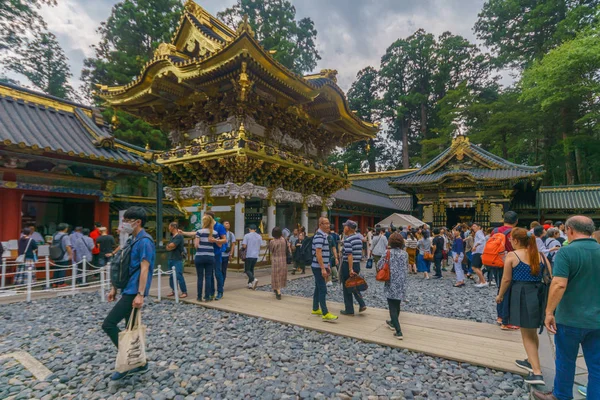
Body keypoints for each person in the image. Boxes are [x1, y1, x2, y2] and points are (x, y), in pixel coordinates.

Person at [532, 216, 600, 400]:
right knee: (597, 366)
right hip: (596, 319)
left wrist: (548, 312)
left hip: (570, 317)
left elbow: (559, 284)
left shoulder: (566, 252)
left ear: (569, 230)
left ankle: (561, 395)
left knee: (565, 360)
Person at [102, 207, 155, 381]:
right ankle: (139, 362)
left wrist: (141, 294)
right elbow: (121, 264)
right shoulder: (132, 239)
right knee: (129, 328)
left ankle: (128, 360)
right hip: (127, 288)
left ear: (137, 222)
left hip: (133, 291)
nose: (123, 224)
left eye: (126, 220)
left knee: (109, 324)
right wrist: (114, 288)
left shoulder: (145, 241)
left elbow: (144, 268)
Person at [496, 228, 549, 385]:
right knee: (532, 332)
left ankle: (537, 373)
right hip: (538, 294)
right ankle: (530, 360)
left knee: (526, 334)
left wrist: (500, 296)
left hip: (522, 293)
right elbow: (549, 275)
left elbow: (506, 279)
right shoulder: (540, 255)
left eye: (511, 239)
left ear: (516, 241)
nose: (510, 242)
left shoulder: (513, 255)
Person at [493, 211, 520, 330]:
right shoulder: (516, 232)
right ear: (516, 221)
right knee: (509, 291)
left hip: (497, 263)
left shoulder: (495, 231)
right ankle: (506, 318)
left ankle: (499, 316)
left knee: (501, 288)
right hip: (512, 264)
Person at [380, 233, 408, 340]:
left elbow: (380, 265)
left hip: (391, 281)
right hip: (401, 282)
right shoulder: (404, 254)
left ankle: (399, 331)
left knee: (391, 306)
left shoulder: (387, 253)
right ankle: (392, 322)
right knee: (397, 304)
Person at [311, 217, 337, 322]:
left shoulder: (323, 236)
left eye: (328, 223)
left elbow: (325, 253)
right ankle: (325, 313)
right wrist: (323, 268)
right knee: (323, 289)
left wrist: (327, 265)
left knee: (318, 287)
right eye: (325, 224)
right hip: (318, 267)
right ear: (320, 224)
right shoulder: (319, 236)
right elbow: (318, 253)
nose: (328, 225)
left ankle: (315, 308)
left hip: (320, 266)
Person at [339, 220, 367, 316]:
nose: (344, 228)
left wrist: (350, 269)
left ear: (349, 228)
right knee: (353, 284)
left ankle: (349, 309)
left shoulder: (348, 239)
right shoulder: (358, 238)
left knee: (347, 285)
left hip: (348, 264)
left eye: (345, 226)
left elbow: (349, 255)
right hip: (357, 264)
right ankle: (361, 303)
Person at [194, 215, 220, 301]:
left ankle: (199, 296)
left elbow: (196, 245)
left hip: (200, 256)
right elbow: (219, 244)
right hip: (210, 256)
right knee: (208, 276)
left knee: (200, 277)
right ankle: (208, 296)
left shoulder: (199, 232)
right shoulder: (215, 233)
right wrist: (214, 241)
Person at [205, 211, 227, 300]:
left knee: (217, 273)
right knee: (209, 273)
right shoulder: (206, 227)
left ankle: (220, 291)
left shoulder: (219, 227)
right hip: (208, 252)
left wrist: (216, 241)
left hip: (216, 253)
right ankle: (211, 292)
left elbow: (224, 240)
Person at [165, 222, 187, 298]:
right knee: (171, 276)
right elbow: (168, 247)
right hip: (170, 257)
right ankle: (173, 290)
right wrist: (169, 246)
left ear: (173, 227)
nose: (168, 228)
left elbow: (173, 245)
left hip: (177, 258)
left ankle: (184, 291)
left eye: (169, 226)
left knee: (178, 275)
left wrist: (170, 246)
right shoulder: (172, 237)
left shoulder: (179, 236)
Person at [268, 227, 287, 300]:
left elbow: (271, 250)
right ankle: (277, 289)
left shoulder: (273, 242)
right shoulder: (283, 240)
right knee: (281, 275)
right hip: (283, 259)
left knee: (276, 276)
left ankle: (278, 291)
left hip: (276, 260)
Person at [52, 223, 72, 287]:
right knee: (62, 269)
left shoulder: (54, 235)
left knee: (56, 269)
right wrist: (70, 254)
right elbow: (67, 246)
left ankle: (55, 283)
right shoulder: (65, 236)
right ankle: (61, 283)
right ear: (65, 229)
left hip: (56, 254)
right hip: (63, 255)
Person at [242, 224, 262, 289]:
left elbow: (244, 245)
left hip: (249, 254)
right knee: (251, 269)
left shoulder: (247, 236)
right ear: (255, 229)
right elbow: (260, 245)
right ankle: (250, 283)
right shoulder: (259, 236)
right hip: (255, 255)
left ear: (249, 229)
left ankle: (253, 279)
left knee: (247, 270)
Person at [471, 223, 488, 288]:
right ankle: (481, 281)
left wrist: (475, 246)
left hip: (478, 251)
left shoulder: (478, 232)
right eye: (473, 226)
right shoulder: (479, 233)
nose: (473, 227)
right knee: (478, 267)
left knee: (474, 267)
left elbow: (482, 239)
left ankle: (483, 281)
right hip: (480, 251)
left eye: (474, 226)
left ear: (479, 227)